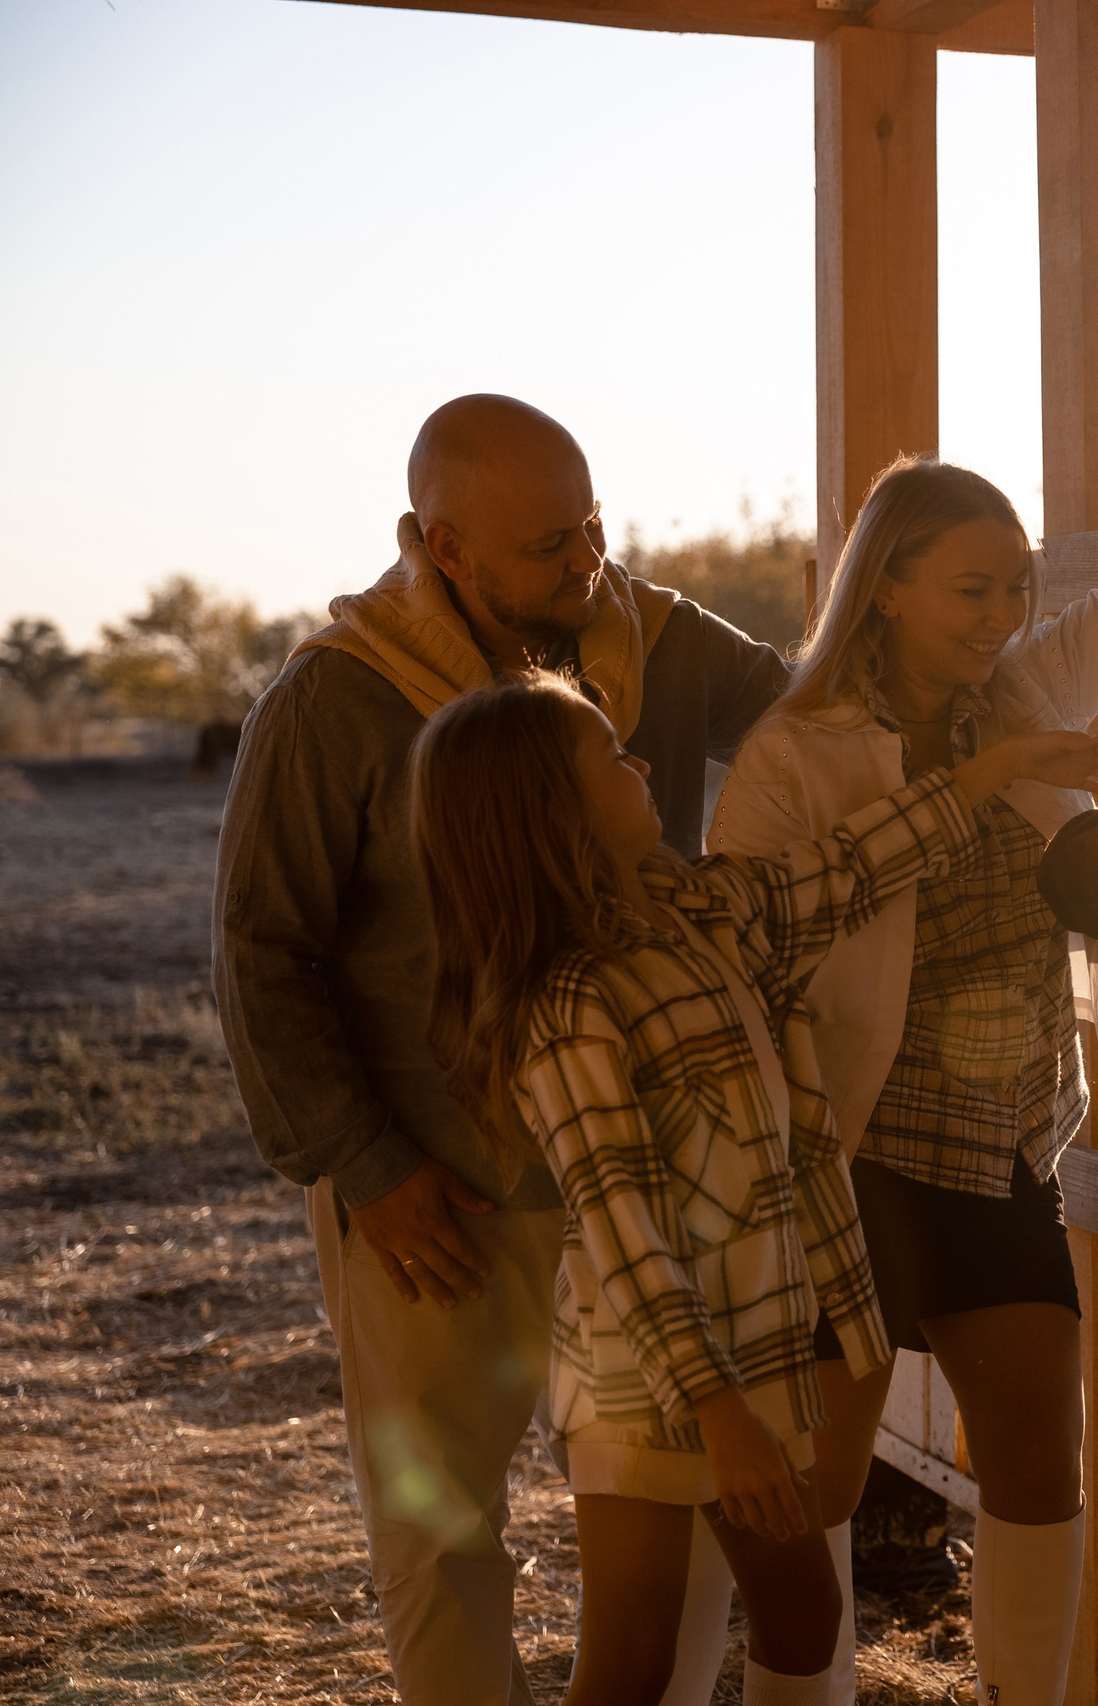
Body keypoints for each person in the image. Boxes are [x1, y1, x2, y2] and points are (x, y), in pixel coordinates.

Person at [710, 335, 1098, 1705]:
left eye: (1016, 588)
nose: (1001, 614)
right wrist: (977, 779)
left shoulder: (1031, 688)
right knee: (817, 1483)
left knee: (1042, 1470)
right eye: (970, 589)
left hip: (1001, 1146)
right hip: (849, 1159)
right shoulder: (794, 752)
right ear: (884, 592)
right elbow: (751, 935)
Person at [408, 671, 1098, 1704]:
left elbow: (843, 870)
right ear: (554, 811)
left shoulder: (696, 907)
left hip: (755, 1346)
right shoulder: (571, 1004)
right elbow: (624, 1230)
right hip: (646, 1378)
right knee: (633, 1653)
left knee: (803, 1615)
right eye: (612, 758)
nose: (646, 762)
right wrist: (717, 1411)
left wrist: (991, 771)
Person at [212, 395, 783, 1704]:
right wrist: (368, 1167)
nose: (586, 567)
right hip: (438, 1193)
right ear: (442, 545)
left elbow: (818, 722)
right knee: (444, 1538)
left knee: (678, 1514)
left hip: (645, 1180)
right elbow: (261, 951)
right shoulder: (333, 703)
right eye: (547, 547)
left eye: (593, 528)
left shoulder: (661, 642)